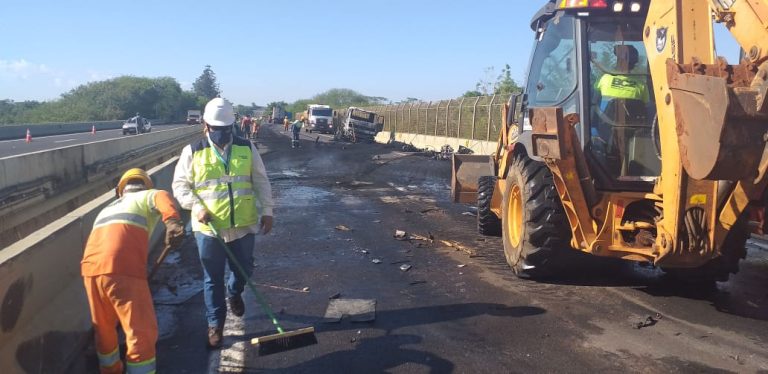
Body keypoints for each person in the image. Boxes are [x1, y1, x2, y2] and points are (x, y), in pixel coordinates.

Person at [172, 98, 274, 349]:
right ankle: (215, 324)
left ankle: (235, 291)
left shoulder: (246, 148)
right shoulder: (193, 151)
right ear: (205, 125)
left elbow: (261, 181)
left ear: (233, 125)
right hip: (209, 229)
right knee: (212, 278)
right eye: (216, 127)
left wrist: (268, 211)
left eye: (226, 127)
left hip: (243, 224)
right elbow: (180, 186)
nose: (221, 132)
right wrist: (196, 207)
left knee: (244, 269)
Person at [81, 168, 185, 374]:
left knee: (104, 328)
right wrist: (173, 222)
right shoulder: (147, 195)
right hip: (122, 267)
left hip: (91, 270)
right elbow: (163, 198)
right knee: (140, 331)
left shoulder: (107, 208)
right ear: (146, 185)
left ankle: (110, 371)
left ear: (121, 191)